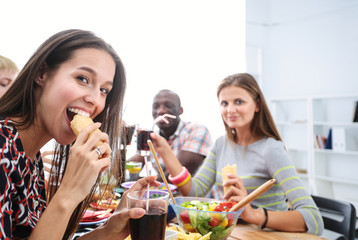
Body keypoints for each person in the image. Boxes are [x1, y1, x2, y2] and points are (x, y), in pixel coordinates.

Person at [0, 29, 160, 240]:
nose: (95, 99)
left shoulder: (30, 156)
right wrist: (69, 191)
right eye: (83, 78)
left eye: (104, 90)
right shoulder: (3, 149)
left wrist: (109, 231)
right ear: (41, 73)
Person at [150, 73, 324, 235]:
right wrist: (165, 151)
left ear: (257, 105)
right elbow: (196, 190)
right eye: (224, 103)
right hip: (234, 234)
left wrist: (254, 215)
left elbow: (314, 220)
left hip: (265, 235)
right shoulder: (221, 144)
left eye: (239, 102)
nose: (230, 110)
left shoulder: (271, 149)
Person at [127, 89, 212, 181]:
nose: (160, 111)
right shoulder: (151, 137)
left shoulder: (196, 130)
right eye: (155, 107)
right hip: (167, 193)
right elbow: (131, 164)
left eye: (168, 106)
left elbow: (178, 172)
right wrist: (123, 141)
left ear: (180, 110)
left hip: (194, 195)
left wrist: (150, 185)